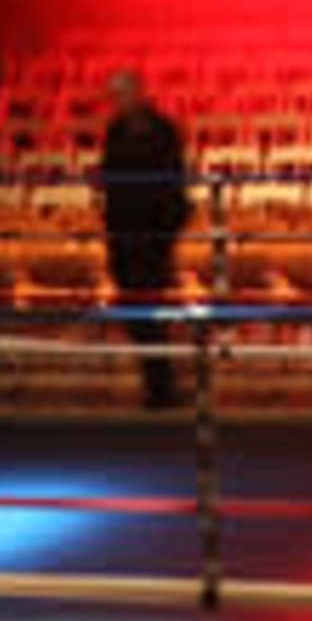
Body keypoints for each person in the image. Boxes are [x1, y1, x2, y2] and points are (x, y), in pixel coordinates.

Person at [96, 70, 192, 410]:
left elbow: (174, 181)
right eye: (113, 96)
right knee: (133, 312)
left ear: (138, 92)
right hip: (122, 233)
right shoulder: (115, 130)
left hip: (152, 234)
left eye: (121, 94)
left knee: (152, 310)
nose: (116, 102)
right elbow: (107, 174)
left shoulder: (164, 130)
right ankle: (156, 381)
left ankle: (162, 386)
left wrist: (168, 231)